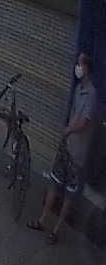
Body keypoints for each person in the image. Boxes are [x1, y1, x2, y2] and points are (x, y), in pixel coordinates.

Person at [28, 52, 98, 244]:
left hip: (77, 152)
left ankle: (56, 230)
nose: (77, 67)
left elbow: (84, 122)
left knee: (68, 193)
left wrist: (68, 130)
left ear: (86, 69)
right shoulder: (78, 89)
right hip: (66, 146)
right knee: (54, 182)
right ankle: (42, 220)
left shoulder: (91, 94)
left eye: (80, 64)